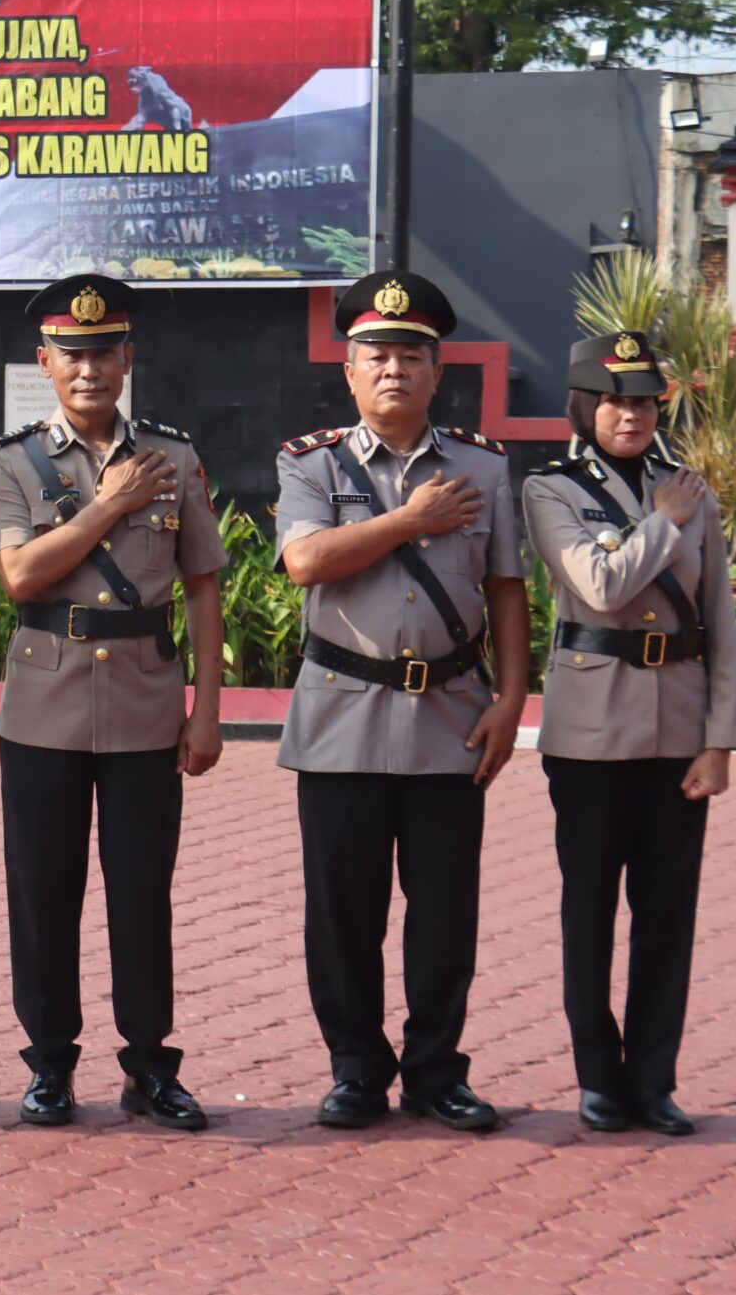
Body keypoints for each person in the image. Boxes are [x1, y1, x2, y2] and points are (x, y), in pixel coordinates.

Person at [274, 270, 528, 1133]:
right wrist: (411, 521)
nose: (393, 368)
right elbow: (305, 563)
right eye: (375, 353)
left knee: (446, 910)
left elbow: (506, 587)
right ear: (349, 370)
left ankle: (435, 1070)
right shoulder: (308, 463)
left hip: (451, 715)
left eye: (410, 353)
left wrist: (514, 695)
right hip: (341, 712)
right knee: (343, 913)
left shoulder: (483, 465)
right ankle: (355, 1068)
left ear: (436, 368)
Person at [0, 274, 225, 1132]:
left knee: (141, 893)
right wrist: (110, 506)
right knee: (43, 894)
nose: (88, 368)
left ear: (128, 358)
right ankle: (49, 1063)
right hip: (44, 700)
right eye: (71, 354)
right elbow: (20, 576)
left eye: (104, 352)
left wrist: (207, 707)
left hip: (150, 701)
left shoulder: (175, 455)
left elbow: (202, 584)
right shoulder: (11, 459)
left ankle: (150, 1063)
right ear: (45, 362)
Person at [525, 330, 736, 1137]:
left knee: (666, 916)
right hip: (589, 736)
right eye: (617, 399)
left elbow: (718, 617)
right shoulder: (550, 489)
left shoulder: (689, 488)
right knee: (589, 913)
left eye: (646, 399)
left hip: (679, 730)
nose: (632, 413)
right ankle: (598, 1079)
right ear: (585, 406)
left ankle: (653, 1080)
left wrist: (719, 740)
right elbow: (600, 584)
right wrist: (662, 524)